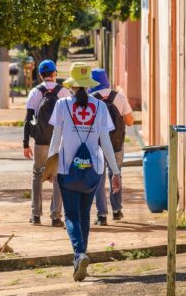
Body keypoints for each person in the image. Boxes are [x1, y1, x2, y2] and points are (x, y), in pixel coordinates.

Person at [48, 63, 121, 281]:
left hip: (66, 168)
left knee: (71, 215)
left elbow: (55, 138)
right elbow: (105, 141)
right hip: (93, 169)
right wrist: (115, 171)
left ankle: (79, 255)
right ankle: (81, 259)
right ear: (89, 85)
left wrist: (49, 167)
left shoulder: (62, 105)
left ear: (71, 85)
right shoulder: (99, 106)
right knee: (85, 215)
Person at [23, 59, 71, 227]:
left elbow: (28, 119)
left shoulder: (35, 92)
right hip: (59, 142)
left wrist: (25, 144)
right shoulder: (64, 92)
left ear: (41, 75)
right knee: (58, 178)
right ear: (54, 73)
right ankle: (56, 217)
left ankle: (35, 215)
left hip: (41, 141)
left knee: (37, 176)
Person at [88, 69, 134, 225]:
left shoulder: (91, 99)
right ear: (106, 79)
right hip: (116, 144)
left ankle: (101, 215)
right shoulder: (119, 97)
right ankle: (117, 210)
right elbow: (129, 121)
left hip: (97, 145)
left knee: (99, 179)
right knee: (116, 174)